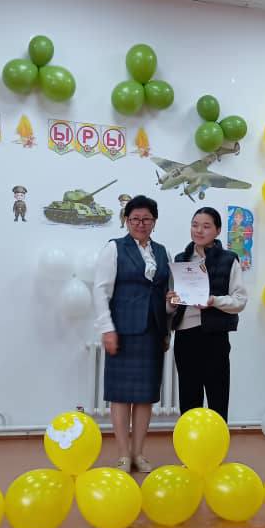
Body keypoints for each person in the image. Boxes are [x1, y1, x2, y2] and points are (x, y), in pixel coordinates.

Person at [93, 195, 171, 473]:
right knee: (121, 395)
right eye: (135, 218)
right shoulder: (114, 248)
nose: (140, 223)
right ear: (126, 220)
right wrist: (107, 329)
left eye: (146, 219)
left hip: (153, 333)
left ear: (154, 222)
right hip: (123, 331)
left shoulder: (162, 252)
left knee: (145, 396)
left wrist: (167, 322)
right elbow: (100, 291)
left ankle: (139, 453)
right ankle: (123, 455)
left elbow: (164, 293)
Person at [168, 207, 247, 422]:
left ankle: (217, 441)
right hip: (185, 336)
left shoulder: (229, 259)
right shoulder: (181, 259)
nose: (199, 230)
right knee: (188, 397)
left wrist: (214, 301)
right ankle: (189, 441)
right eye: (195, 225)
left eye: (206, 226)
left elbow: (240, 301)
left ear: (218, 230)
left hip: (214, 336)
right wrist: (171, 301)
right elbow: (174, 305)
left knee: (217, 396)